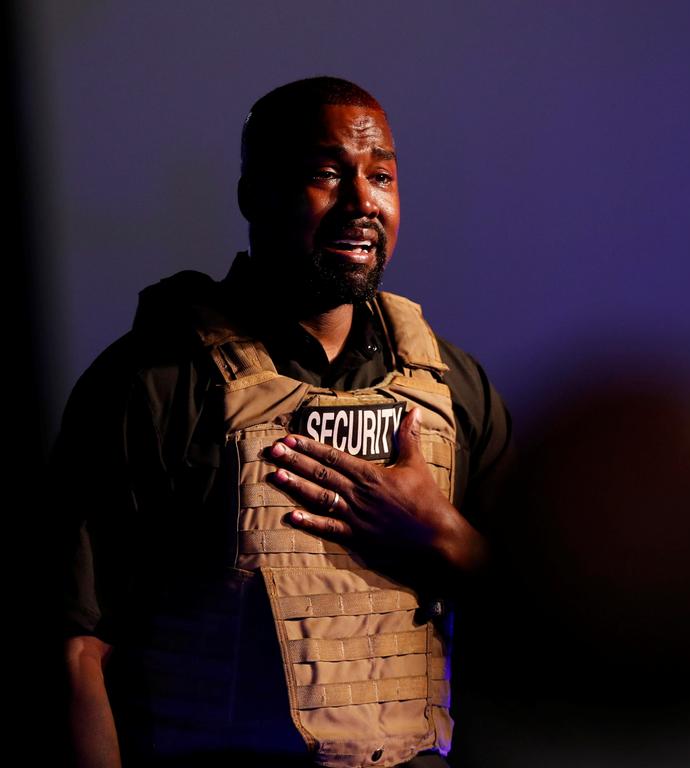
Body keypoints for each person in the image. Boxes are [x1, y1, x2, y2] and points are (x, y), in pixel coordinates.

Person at [52, 76, 513, 768]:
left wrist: (445, 537)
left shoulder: (454, 389)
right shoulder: (153, 385)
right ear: (252, 195)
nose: (362, 202)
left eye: (380, 176)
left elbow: (553, 626)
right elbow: (77, 646)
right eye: (326, 175)